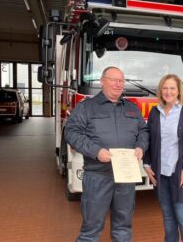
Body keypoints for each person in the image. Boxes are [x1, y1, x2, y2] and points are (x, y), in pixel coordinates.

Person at [64, 66, 149, 242]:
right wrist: (96, 151)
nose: (118, 84)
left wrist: (141, 147)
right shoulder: (87, 107)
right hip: (98, 176)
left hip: (126, 177)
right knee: (91, 229)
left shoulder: (132, 108)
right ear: (102, 81)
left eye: (121, 81)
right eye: (113, 80)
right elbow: (71, 133)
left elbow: (143, 131)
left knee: (123, 227)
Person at [144, 74, 183, 242]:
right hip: (160, 174)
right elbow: (149, 140)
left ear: (178, 91)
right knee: (168, 219)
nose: (168, 92)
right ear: (160, 91)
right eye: (165, 88)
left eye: (172, 88)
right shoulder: (155, 113)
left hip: (181, 174)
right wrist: (147, 164)